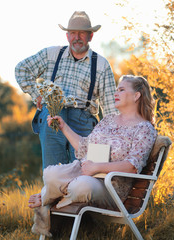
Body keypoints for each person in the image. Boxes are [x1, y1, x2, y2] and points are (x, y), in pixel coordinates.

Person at [28, 75, 158, 236]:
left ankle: (48, 197)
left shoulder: (144, 129)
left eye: (122, 89)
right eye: (116, 89)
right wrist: (63, 127)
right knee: (50, 174)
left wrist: (97, 167)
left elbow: (132, 166)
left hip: (111, 186)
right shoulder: (109, 119)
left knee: (80, 186)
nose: (116, 93)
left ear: (136, 95)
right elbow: (85, 147)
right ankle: (52, 196)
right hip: (83, 171)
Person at [15, 11, 118, 170]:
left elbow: (111, 109)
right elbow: (21, 69)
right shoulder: (51, 54)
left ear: (90, 36)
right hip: (53, 113)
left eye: (82, 33)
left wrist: (115, 139)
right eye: (72, 33)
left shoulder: (101, 65)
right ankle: (52, 193)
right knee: (53, 171)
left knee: (82, 173)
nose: (77, 37)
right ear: (67, 36)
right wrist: (38, 95)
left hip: (83, 119)